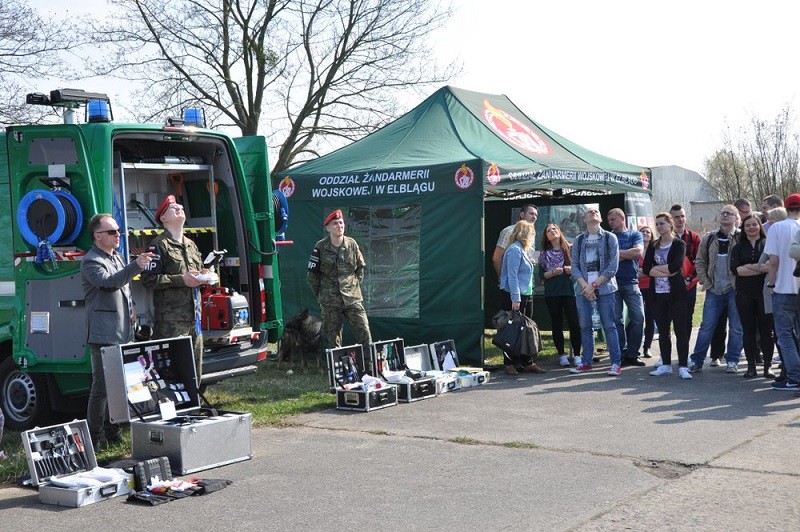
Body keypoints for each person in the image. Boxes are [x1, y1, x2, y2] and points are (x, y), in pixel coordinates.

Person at [82, 213, 153, 447]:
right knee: (101, 388)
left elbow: (125, 289)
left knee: (120, 386)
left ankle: (113, 433)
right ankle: (95, 437)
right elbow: (110, 283)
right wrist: (136, 266)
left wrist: (132, 308)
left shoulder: (117, 257)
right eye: (112, 232)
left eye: (118, 231)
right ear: (98, 236)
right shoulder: (91, 261)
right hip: (104, 334)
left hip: (124, 331)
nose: (118, 235)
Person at [141, 195, 209, 383]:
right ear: (163, 218)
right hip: (171, 320)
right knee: (172, 370)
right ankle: (172, 408)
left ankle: (193, 406)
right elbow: (148, 280)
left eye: (181, 207)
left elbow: (196, 273)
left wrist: (205, 275)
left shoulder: (191, 245)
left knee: (195, 371)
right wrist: (181, 280)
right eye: (174, 208)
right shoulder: (158, 245)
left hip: (194, 317)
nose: (180, 209)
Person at [307, 209, 373, 360]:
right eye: (335, 223)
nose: (339, 226)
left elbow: (360, 268)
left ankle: (370, 367)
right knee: (333, 339)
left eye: (341, 223)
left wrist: (353, 287)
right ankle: (338, 372)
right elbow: (312, 276)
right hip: (330, 301)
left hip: (352, 299)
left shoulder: (351, 244)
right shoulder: (320, 247)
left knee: (364, 332)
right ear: (328, 228)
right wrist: (322, 295)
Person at [569, 208, 624, 376]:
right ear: (584, 220)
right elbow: (575, 267)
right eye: (589, 212)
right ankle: (586, 362)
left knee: (609, 326)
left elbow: (612, 268)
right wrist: (586, 286)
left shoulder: (610, 237)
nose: (593, 212)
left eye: (596, 212)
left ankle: (615, 363)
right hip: (583, 289)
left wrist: (594, 285)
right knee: (585, 326)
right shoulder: (578, 240)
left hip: (605, 289)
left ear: (601, 219)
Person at [689, 205, 743, 373]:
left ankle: (732, 361)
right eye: (723, 213)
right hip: (714, 290)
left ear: (736, 218)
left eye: (729, 213)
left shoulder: (742, 237)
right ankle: (697, 361)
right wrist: (706, 282)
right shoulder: (710, 238)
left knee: (736, 327)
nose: (725, 215)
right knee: (706, 326)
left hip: (734, 290)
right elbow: (700, 261)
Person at [643, 213, 691, 379]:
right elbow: (647, 268)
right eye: (656, 224)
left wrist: (659, 270)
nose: (658, 226)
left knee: (680, 330)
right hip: (657, 294)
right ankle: (666, 365)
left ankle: (683, 366)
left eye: (662, 223)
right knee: (663, 331)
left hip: (676, 294)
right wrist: (665, 271)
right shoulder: (653, 245)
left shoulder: (679, 243)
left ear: (670, 225)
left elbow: (676, 266)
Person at [499, 220, 546, 375]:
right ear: (525, 234)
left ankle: (527, 362)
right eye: (531, 234)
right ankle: (509, 364)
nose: (533, 237)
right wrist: (516, 298)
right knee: (511, 330)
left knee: (525, 330)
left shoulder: (522, 250)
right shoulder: (514, 250)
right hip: (515, 295)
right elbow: (512, 276)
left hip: (527, 293)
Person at [731, 215, 773, 378]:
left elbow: (770, 267)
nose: (751, 227)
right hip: (744, 293)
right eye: (747, 225)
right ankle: (751, 367)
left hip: (764, 293)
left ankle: (767, 366)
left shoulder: (768, 245)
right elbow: (736, 270)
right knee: (748, 330)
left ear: (759, 226)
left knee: (766, 331)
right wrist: (760, 267)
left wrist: (749, 267)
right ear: (743, 228)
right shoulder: (738, 247)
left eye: (754, 224)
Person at [767, 194, 800, 391]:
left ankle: (795, 378)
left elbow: (773, 261)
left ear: (786, 208)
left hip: (783, 288)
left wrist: (771, 284)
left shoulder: (777, 228)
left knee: (785, 335)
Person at [538, 223, 581, 367]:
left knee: (574, 323)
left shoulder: (570, 250)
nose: (552, 231)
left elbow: (580, 269)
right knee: (556, 324)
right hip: (552, 293)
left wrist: (571, 270)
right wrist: (552, 273)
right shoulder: (543, 254)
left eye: (554, 229)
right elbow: (541, 275)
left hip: (570, 292)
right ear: (546, 236)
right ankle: (562, 355)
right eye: (549, 230)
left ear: (559, 232)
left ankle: (577, 355)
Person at [607, 208, 645, 366]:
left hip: (631, 281)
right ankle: (620, 354)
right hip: (612, 283)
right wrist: (625, 254)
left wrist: (615, 254)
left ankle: (633, 353)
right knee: (616, 320)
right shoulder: (608, 236)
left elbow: (637, 253)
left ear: (622, 219)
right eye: (609, 220)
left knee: (638, 317)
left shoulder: (635, 234)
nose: (610, 222)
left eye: (613, 219)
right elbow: (605, 258)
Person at [669, 205, 701, 334]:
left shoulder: (694, 237)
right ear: (671, 219)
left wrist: (689, 278)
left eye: (682, 216)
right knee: (669, 317)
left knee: (687, 317)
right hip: (671, 283)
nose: (680, 219)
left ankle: (685, 349)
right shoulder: (666, 238)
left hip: (689, 284)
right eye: (676, 217)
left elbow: (700, 261)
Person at [493, 205, 538, 284]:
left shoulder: (532, 234)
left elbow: (529, 256)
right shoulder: (509, 231)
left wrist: (531, 260)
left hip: (527, 284)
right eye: (531, 214)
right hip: (511, 282)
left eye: (536, 215)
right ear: (522, 215)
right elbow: (496, 258)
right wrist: (502, 277)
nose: (534, 217)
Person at [637, 225, 655, 359]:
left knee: (650, 317)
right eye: (642, 232)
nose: (645, 234)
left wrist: (643, 271)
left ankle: (647, 347)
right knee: (637, 318)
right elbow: (632, 269)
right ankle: (635, 347)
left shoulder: (655, 250)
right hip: (636, 287)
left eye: (648, 232)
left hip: (651, 287)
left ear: (651, 235)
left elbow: (656, 268)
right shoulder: (636, 249)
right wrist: (647, 271)